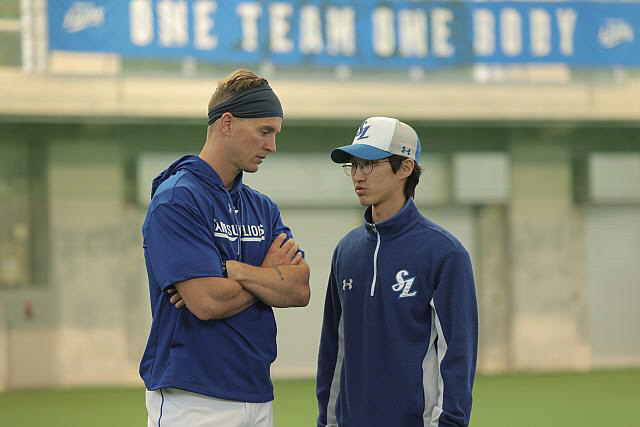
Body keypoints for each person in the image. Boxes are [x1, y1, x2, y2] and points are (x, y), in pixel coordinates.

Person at [140, 69, 310, 427]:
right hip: (193, 398)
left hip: (257, 393)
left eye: (275, 134)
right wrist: (266, 277)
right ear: (228, 123)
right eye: (265, 131)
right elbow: (206, 302)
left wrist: (236, 270)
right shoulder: (176, 200)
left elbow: (299, 288)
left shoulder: (262, 207)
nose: (272, 146)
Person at [316, 117, 478, 427]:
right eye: (354, 165)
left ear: (405, 167)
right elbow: (333, 349)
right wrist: (327, 421)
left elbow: (456, 354)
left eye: (369, 164)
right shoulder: (346, 251)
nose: (357, 176)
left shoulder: (445, 253)